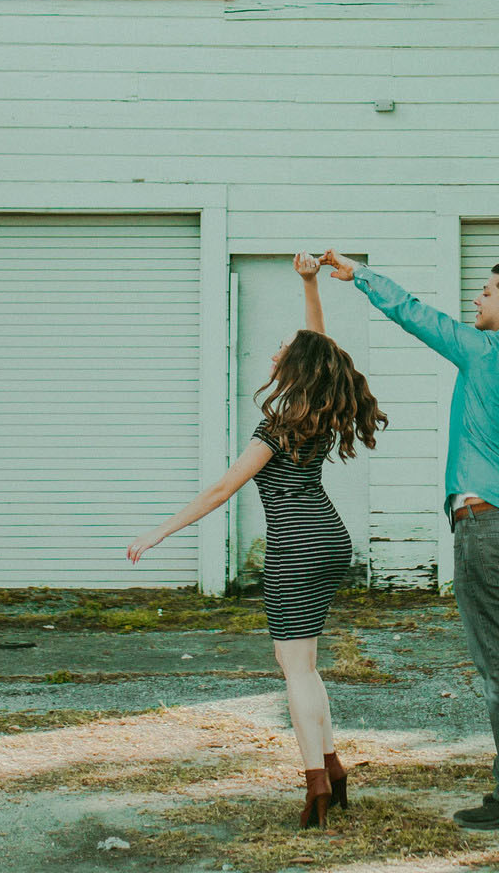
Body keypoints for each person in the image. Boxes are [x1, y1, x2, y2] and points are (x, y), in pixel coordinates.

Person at [129, 253, 386, 827]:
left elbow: (222, 488)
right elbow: (319, 344)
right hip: (329, 538)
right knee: (308, 665)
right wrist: (309, 283)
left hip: (295, 546)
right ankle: (334, 769)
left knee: (294, 669)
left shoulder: (277, 427)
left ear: (295, 367)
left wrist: (160, 531)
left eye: (281, 350)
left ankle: (315, 786)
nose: (274, 353)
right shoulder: (318, 411)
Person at [319, 248, 499, 831]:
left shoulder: (483, 353)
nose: (475, 301)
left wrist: (359, 275)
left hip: (489, 524)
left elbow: (413, 314)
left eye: (484, 293)